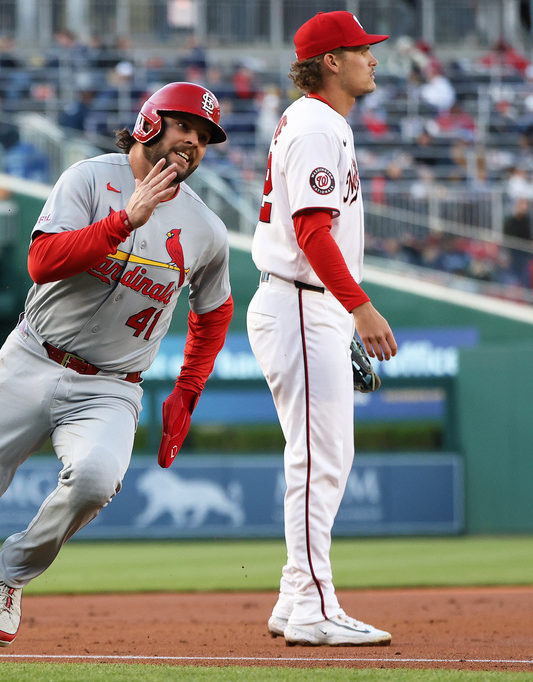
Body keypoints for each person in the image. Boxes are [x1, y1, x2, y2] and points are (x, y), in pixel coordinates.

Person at [0, 82, 234, 661]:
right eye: (185, 127)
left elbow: (214, 315)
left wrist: (187, 389)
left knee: (95, 478)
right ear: (149, 124)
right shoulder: (90, 180)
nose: (195, 142)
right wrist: (124, 220)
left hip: (110, 387)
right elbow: (41, 262)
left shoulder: (206, 229)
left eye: (206, 136)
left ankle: (10, 572)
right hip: (32, 360)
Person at [247, 11, 398, 647]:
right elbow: (311, 234)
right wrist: (358, 306)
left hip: (308, 306)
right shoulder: (315, 125)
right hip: (303, 303)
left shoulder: (318, 122)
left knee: (324, 457)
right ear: (331, 61)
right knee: (320, 460)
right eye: (362, 50)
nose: (373, 59)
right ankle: (312, 605)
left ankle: (293, 598)